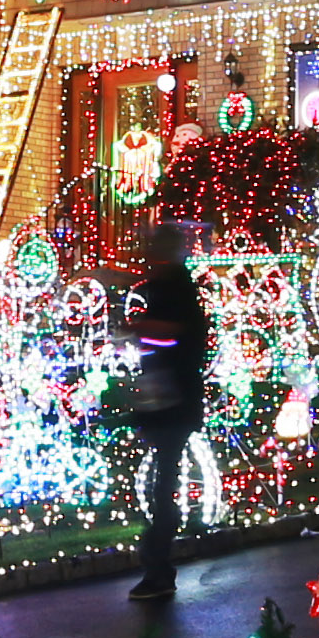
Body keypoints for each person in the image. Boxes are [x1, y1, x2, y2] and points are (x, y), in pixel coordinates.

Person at [119, 221, 212, 601]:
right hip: (167, 402)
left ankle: (158, 569)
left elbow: (174, 334)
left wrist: (139, 328)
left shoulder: (175, 291)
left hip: (172, 403)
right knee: (163, 483)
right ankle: (157, 566)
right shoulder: (173, 287)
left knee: (163, 487)